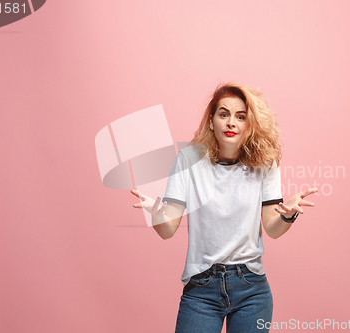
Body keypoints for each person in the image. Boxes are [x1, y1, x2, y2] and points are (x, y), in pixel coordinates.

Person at [131, 83, 317, 332]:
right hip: (202, 287)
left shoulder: (265, 163)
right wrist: (156, 214)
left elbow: (272, 228)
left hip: (251, 288)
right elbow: (167, 230)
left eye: (241, 117)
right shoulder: (188, 159)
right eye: (224, 114)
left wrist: (289, 214)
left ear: (249, 124)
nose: (232, 123)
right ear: (211, 121)